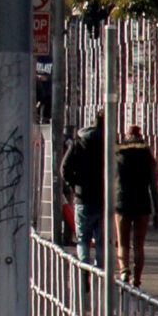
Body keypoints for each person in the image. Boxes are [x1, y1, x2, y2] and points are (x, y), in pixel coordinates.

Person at [115, 125, 158, 287]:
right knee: (139, 245)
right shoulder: (147, 155)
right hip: (142, 203)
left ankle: (124, 271)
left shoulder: (119, 153)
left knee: (122, 243)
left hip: (122, 203)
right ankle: (137, 279)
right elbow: (153, 187)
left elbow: (110, 180)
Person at [61, 109, 106, 266]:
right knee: (101, 240)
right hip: (102, 199)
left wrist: (74, 185)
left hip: (82, 198)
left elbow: (64, 169)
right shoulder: (107, 144)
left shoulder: (78, 142)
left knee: (82, 239)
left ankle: (83, 270)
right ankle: (99, 273)